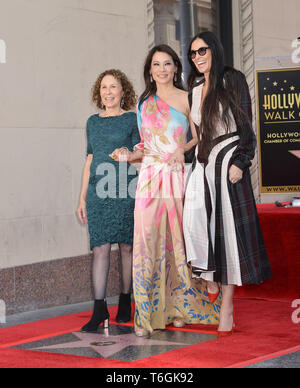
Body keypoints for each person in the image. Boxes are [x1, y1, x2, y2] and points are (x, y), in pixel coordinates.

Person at [111, 45, 220, 337]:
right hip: (148, 178)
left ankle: (179, 308)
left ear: (175, 68)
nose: (162, 69)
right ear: (150, 69)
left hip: (175, 176)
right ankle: (146, 315)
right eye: (157, 64)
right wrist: (126, 154)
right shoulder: (144, 104)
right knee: (147, 243)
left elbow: (200, 138)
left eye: (167, 63)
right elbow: (144, 146)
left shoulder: (188, 99)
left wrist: (180, 151)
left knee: (177, 243)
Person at [183, 31, 272, 337]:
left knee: (228, 239)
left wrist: (241, 162)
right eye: (193, 53)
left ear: (214, 50)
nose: (198, 57)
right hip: (203, 167)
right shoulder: (193, 86)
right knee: (195, 225)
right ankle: (210, 279)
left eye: (202, 50)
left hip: (229, 164)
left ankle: (228, 306)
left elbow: (247, 126)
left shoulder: (232, 79)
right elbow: (198, 133)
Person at [77, 69, 140, 332]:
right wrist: (81, 198)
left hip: (125, 190)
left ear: (123, 91)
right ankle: (99, 309)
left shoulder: (131, 120)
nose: (108, 92)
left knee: (126, 248)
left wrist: (128, 153)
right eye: (104, 87)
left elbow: (141, 154)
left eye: (113, 87)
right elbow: (90, 160)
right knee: (100, 249)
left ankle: (125, 301)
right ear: (98, 92)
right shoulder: (92, 122)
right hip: (97, 194)